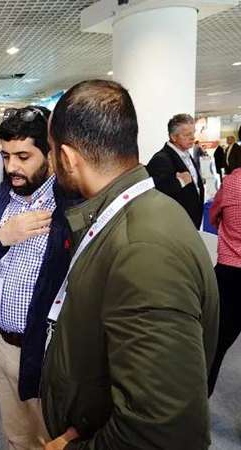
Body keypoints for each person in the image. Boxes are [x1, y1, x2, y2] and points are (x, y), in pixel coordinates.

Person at [41, 80, 219, 450]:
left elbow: (163, 431)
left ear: (68, 157)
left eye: (51, 150)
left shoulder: (143, 248)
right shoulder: (132, 213)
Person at [0, 106, 74, 449]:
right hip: (1, 345)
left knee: (52, 440)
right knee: (17, 439)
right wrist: (2, 237)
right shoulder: (3, 198)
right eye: (7, 156)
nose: (11, 167)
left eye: (23, 157)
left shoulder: (70, 206)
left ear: (51, 154)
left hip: (48, 356)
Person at [208, 149, 241, 396]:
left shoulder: (231, 182)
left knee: (216, 343)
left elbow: (214, 216)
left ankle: (200, 399)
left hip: (229, 273)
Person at [146, 113, 205, 229]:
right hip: (176, 225)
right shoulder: (161, 159)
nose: (192, 138)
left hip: (192, 222)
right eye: (187, 135)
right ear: (173, 137)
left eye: (193, 133)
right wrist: (180, 182)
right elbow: (156, 194)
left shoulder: (186, 154)